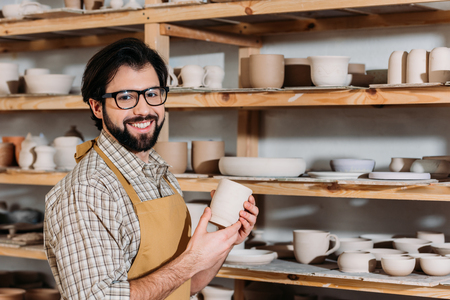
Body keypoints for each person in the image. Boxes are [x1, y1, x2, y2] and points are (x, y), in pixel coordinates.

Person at [44, 38, 258, 300]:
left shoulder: (160, 173)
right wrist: (191, 260)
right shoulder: (87, 191)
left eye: (152, 94)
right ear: (97, 107)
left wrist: (225, 240)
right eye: (125, 97)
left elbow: (184, 287)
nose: (144, 109)